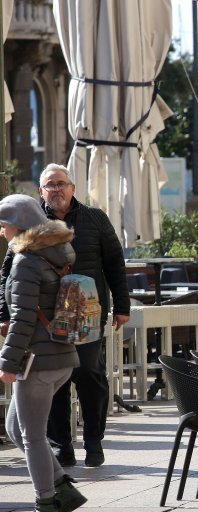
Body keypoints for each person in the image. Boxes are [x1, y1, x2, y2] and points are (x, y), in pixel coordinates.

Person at [0, 164, 131, 468]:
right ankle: (62, 445)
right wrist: (4, 312)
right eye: (50, 185)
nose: (56, 190)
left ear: (73, 188)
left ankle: (94, 440)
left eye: (62, 184)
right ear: (40, 192)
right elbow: (7, 274)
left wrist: (122, 306)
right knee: (53, 383)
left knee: (90, 374)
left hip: (87, 314)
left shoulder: (95, 219)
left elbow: (114, 263)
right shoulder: (32, 224)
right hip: (45, 318)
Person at [0, 194, 88, 512]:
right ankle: (63, 489)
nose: (1, 231)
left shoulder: (25, 262)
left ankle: (46, 505)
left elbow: (23, 319)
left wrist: (8, 362)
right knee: (14, 427)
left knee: (33, 435)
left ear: (19, 226)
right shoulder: (55, 252)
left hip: (37, 359)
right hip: (61, 355)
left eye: (4, 225)